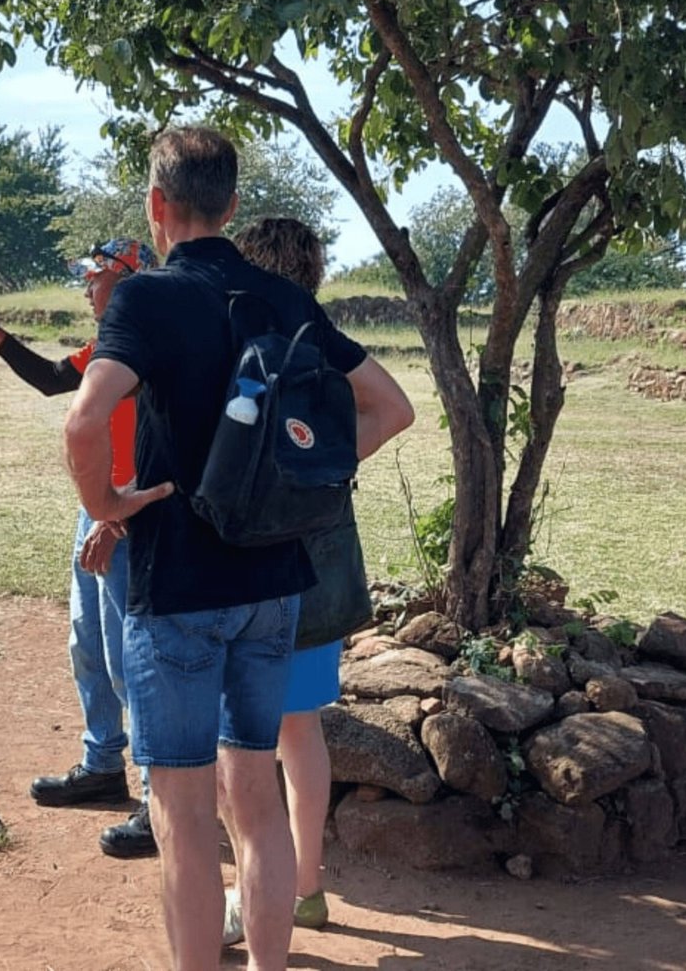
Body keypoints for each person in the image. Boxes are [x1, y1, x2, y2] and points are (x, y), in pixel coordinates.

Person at [64, 125, 410, 971]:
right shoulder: (285, 300)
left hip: (176, 585)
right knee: (256, 803)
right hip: (270, 584)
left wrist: (107, 502)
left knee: (183, 814)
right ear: (232, 203)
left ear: (157, 204)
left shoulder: (145, 300)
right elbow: (390, 409)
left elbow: (82, 419)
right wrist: (306, 481)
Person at [219, 216, 414, 946]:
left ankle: (253, 891)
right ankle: (307, 887)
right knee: (300, 731)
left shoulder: (241, 334)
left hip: (250, 558)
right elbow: (397, 408)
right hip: (319, 553)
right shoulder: (324, 338)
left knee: (238, 739)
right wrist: (325, 464)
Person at [0, 239, 159, 859]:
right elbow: (48, 381)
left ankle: (156, 797)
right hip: (94, 508)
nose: (87, 287)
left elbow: (160, 447)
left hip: (126, 514)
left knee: (130, 658)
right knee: (87, 643)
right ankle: (102, 765)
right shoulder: (107, 347)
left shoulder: (151, 350)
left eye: (95, 277)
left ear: (126, 280)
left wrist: (116, 516)